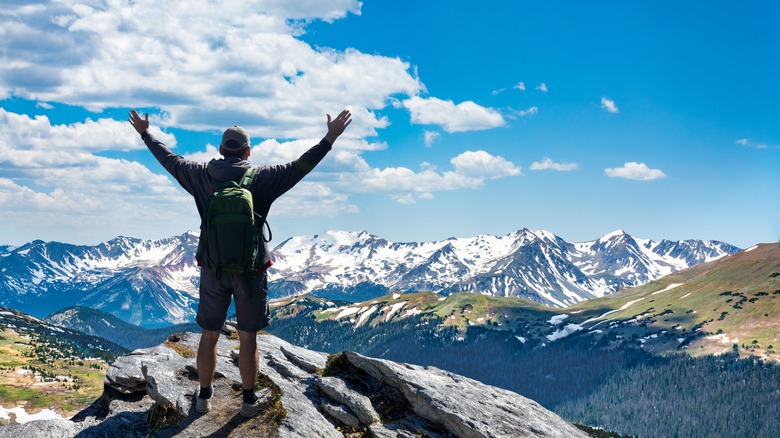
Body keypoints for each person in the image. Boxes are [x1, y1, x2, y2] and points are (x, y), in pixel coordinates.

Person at [128, 108, 351, 417]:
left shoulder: (201, 175)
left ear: (221, 150)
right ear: (248, 151)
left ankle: (204, 397)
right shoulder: (264, 178)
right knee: (248, 339)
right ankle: (248, 402)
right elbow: (301, 166)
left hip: (213, 270)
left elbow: (170, 160)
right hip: (251, 271)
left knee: (209, 335)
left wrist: (145, 133)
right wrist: (330, 138)